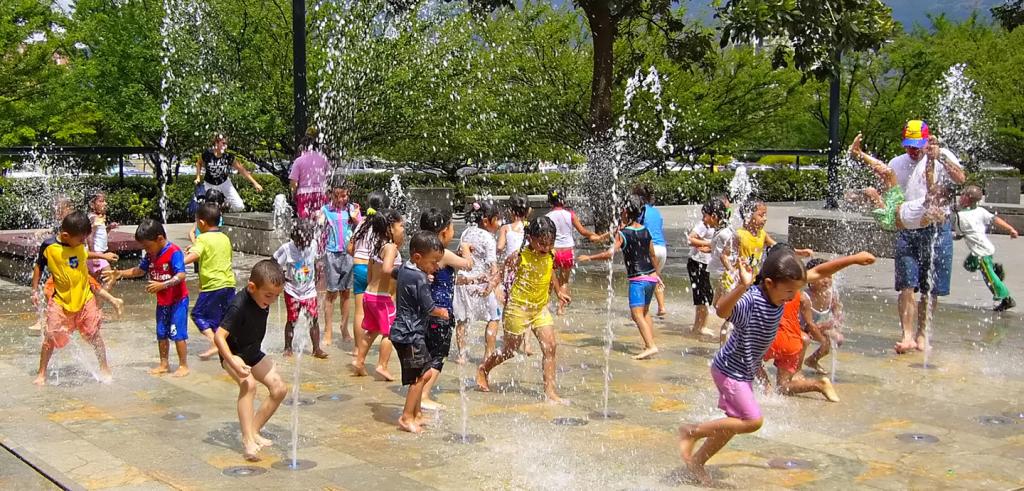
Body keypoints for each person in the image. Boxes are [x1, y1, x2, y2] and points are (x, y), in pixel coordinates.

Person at [677, 246, 875, 485]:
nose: (793, 297)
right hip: (729, 370)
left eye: (795, 291)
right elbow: (721, 310)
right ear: (769, 283)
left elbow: (820, 271)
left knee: (732, 424)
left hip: (742, 371)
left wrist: (854, 259)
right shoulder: (752, 299)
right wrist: (742, 286)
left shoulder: (784, 287)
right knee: (752, 421)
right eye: (789, 292)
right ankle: (692, 431)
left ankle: (697, 462)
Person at [852, 122, 966, 354]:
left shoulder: (940, 155)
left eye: (917, 146)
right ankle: (907, 335)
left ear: (926, 142)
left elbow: (960, 178)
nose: (913, 151)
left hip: (934, 228)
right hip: (907, 225)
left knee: (930, 288)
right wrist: (860, 156)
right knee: (906, 285)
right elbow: (887, 176)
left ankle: (922, 334)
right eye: (909, 146)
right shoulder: (898, 164)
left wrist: (939, 157)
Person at [476, 216, 572, 404]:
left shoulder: (550, 254)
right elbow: (502, 273)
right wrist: (494, 288)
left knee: (550, 347)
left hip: (539, 308)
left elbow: (550, 269)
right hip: (518, 308)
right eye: (542, 243)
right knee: (510, 350)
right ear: (530, 239)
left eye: (550, 243)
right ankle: (484, 369)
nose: (546, 247)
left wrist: (559, 290)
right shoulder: (520, 257)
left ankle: (550, 392)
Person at [759, 252, 873, 402]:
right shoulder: (796, 288)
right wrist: (853, 259)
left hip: (771, 339)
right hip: (793, 343)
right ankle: (819, 385)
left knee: (747, 357)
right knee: (784, 386)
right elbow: (820, 271)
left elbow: (725, 311)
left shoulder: (763, 288)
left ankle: (767, 388)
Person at [214, 260, 288, 462]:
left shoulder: (262, 297)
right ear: (251, 287)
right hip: (233, 353)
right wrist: (232, 360)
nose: (272, 301)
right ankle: (248, 441)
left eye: (276, 296)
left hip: (252, 351)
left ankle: (253, 430)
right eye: (268, 295)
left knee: (279, 388)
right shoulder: (238, 305)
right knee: (249, 385)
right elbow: (219, 337)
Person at [31, 211, 115, 385]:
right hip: (60, 301)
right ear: (65, 235)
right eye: (81, 240)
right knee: (50, 336)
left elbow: (84, 253)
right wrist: (34, 291)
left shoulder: (78, 244)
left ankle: (104, 367)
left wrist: (102, 255)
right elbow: (39, 266)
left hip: (85, 299)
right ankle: (41, 373)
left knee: (94, 334)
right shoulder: (49, 247)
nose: (83, 243)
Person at [103, 220, 190, 377]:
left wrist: (163, 285)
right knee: (161, 332)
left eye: (147, 246)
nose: (146, 250)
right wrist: (120, 273)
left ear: (159, 239)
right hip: (163, 302)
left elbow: (181, 275)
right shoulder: (151, 254)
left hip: (178, 301)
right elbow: (139, 271)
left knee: (178, 333)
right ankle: (164, 364)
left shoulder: (174, 252)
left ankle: (183, 365)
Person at [579, 194, 660, 360]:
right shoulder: (646, 230)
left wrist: (589, 258)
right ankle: (648, 343)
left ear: (625, 211)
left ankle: (651, 346)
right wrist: (657, 275)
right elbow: (652, 254)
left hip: (638, 280)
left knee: (636, 314)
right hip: (651, 277)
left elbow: (610, 254)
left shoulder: (624, 234)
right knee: (645, 313)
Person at [390, 231, 450, 433]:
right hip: (410, 334)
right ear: (418, 257)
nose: (436, 267)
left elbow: (395, 273)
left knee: (421, 374)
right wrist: (442, 312)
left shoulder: (407, 268)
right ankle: (407, 417)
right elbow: (429, 307)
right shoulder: (421, 278)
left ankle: (416, 414)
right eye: (433, 262)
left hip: (404, 331)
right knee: (418, 377)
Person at [418, 208, 473, 410]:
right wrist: (466, 248)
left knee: (426, 354)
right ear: (442, 233)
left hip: (425, 311)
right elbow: (467, 264)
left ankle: (418, 391)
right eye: (451, 229)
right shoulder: (442, 253)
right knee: (438, 356)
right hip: (441, 313)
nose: (453, 233)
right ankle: (424, 395)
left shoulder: (423, 253)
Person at [350, 209, 404, 381]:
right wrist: (405, 272)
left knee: (371, 331)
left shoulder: (377, 245)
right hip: (382, 299)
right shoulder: (390, 247)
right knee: (390, 332)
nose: (403, 229)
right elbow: (388, 269)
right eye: (401, 226)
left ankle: (359, 361)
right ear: (390, 228)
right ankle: (382, 365)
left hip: (369, 295)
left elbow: (369, 274)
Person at [184, 203, 237, 360]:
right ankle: (227, 347)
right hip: (229, 284)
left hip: (213, 286)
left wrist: (178, 262)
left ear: (201, 223)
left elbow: (195, 255)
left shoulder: (202, 238)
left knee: (197, 314)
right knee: (221, 319)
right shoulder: (225, 237)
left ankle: (215, 343)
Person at [956, 185, 1018, 311]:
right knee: (969, 265)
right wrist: (1010, 229)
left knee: (990, 278)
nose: (960, 197)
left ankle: (1006, 298)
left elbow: (958, 235)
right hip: (985, 249)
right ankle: (995, 269)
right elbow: (995, 220)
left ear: (967, 199)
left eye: (962, 195)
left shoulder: (961, 217)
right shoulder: (980, 211)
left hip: (981, 253)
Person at [454, 200, 502, 362]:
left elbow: (459, 252)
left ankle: (461, 355)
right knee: (494, 318)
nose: (500, 223)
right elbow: (492, 265)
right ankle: (488, 354)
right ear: (487, 221)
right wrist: (495, 286)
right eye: (497, 219)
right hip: (481, 282)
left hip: (463, 281)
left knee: (462, 319)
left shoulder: (467, 232)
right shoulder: (489, 238)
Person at [273, 220, 328, 359]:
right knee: (292, 320)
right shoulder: (287, 249)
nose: (305, 245)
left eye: (307, 241)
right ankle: (288, 347)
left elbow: (317, 260)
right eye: (302, 242)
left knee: (313, 319)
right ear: (295, 238)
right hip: (292, 291)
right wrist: (281, 276)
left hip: (309, 291)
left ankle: (316, 349)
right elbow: (273, 262)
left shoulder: (313, 244)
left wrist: (318, 270)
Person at [545, 190, 602, 315]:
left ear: (550, 202)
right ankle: (560, 309)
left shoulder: (548, 217)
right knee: (564, 281)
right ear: (563, 200)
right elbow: (582, 231)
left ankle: (546, 307)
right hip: (567, 252)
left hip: (554, 251)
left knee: (550, 280)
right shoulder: (570, 214)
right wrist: (594, 235)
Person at [318, 179, 360, 346]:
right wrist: (318, 220)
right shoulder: (326, 210)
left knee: (346, 292)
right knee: (331, 292)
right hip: (331, 254)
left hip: (349, 254)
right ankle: (328, 330)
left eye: (344, 195)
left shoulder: (352, 210)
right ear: (331, 195)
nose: (342, 199)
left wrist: (356, 219)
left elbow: (361, 227)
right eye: (338, 196)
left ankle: (344, 328)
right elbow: (319, 227)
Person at [347, 192, 390, 356]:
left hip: (358, 267)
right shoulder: (383, 225)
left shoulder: (361, 224)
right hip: (374, 268)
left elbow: (349, 248)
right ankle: (381, 343)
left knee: (359, 311)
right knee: (380, 306)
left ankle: (357, 349)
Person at [495, 195, 532, 356]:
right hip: (527, 270)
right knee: (528, 305)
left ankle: (508, 337)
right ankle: (527, 344)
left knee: (508, 304)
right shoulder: (531, 227)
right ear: (529, 211)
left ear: (510, 211)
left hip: (510, 271)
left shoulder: (506, 228)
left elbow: (500, 247)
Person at [193, 134, 264, 212]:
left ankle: (224, 205)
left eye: (226, 144)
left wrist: (255, 183)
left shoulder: (228, 157)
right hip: (209, 184)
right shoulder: (207, 154)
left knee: (239, 206)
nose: (225, 146)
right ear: (216, 143)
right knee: (208, 209)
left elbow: (242, 169)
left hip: (224, 183)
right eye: (223, 143)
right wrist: (198, 177)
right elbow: (198, 163)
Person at [688, 198, 727, 337]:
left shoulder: (721, 227)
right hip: (697, 262)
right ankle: (698, 327)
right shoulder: (703, 225)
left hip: (706, 264)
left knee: (706, 296)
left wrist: (711, 248)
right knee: (702, 296)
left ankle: (700, 326)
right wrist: (710, 244)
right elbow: (690, 239)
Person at [800, 258, 845, 374]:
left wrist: (837, 320)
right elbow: (809, 325)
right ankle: (796, 369)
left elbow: (838, 311)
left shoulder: (832, 295)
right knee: (806, 340)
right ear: (811, 278)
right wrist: (823, 335)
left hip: (813, 327)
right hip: (798, 328)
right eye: (822, 277)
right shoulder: (805, 297)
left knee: (838, 338)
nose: (826, 281)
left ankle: (812, 361)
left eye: (829, 277)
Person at [634, 184, 669, 317]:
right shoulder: (656, 211)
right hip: (662, 249)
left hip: (651, 248)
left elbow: (638, 229)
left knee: (642, 279)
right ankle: (661, 307)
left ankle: (642, 311)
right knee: (656, 277)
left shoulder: (640, 211)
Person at [289, 128, 330, 219]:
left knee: (305, 222)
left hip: (304, 194)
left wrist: (293, 195)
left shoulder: (298, 161)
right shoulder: (323, 159)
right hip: (320, 193)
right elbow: (328, 177)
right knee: (320, 221)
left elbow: (293, 182)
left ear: (302, 147)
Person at [86, 191, 118, 292]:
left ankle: (92, 304)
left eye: (105, 201)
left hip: (98, 254)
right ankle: (98, 304)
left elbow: (99, 235)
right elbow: (89, 235)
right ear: (92, 204)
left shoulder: (98, 217)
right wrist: (94, 255)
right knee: (111, 278)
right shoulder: (93, 218)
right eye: (101, 201)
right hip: (96, 255)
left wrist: (108, 228)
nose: (105, 204)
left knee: (93, 283)